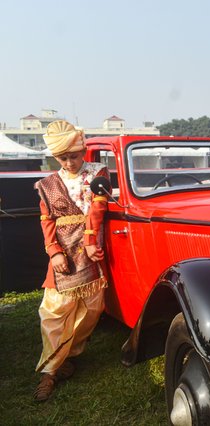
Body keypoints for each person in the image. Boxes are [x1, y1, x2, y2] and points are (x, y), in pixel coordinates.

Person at [33, 120, 109, 402]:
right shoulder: (48, 184)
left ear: (83, 151)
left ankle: (67, 355)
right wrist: (53, 252)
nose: (70, 162)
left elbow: (99, 206)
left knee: (93, 307)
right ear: (55, 157)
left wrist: (90, 242)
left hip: (91, 248)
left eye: (74, 156)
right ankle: (50, 372)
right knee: (54, 309)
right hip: (63, 249)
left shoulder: (97, 173)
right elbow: (46, 219)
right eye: (63, 158)